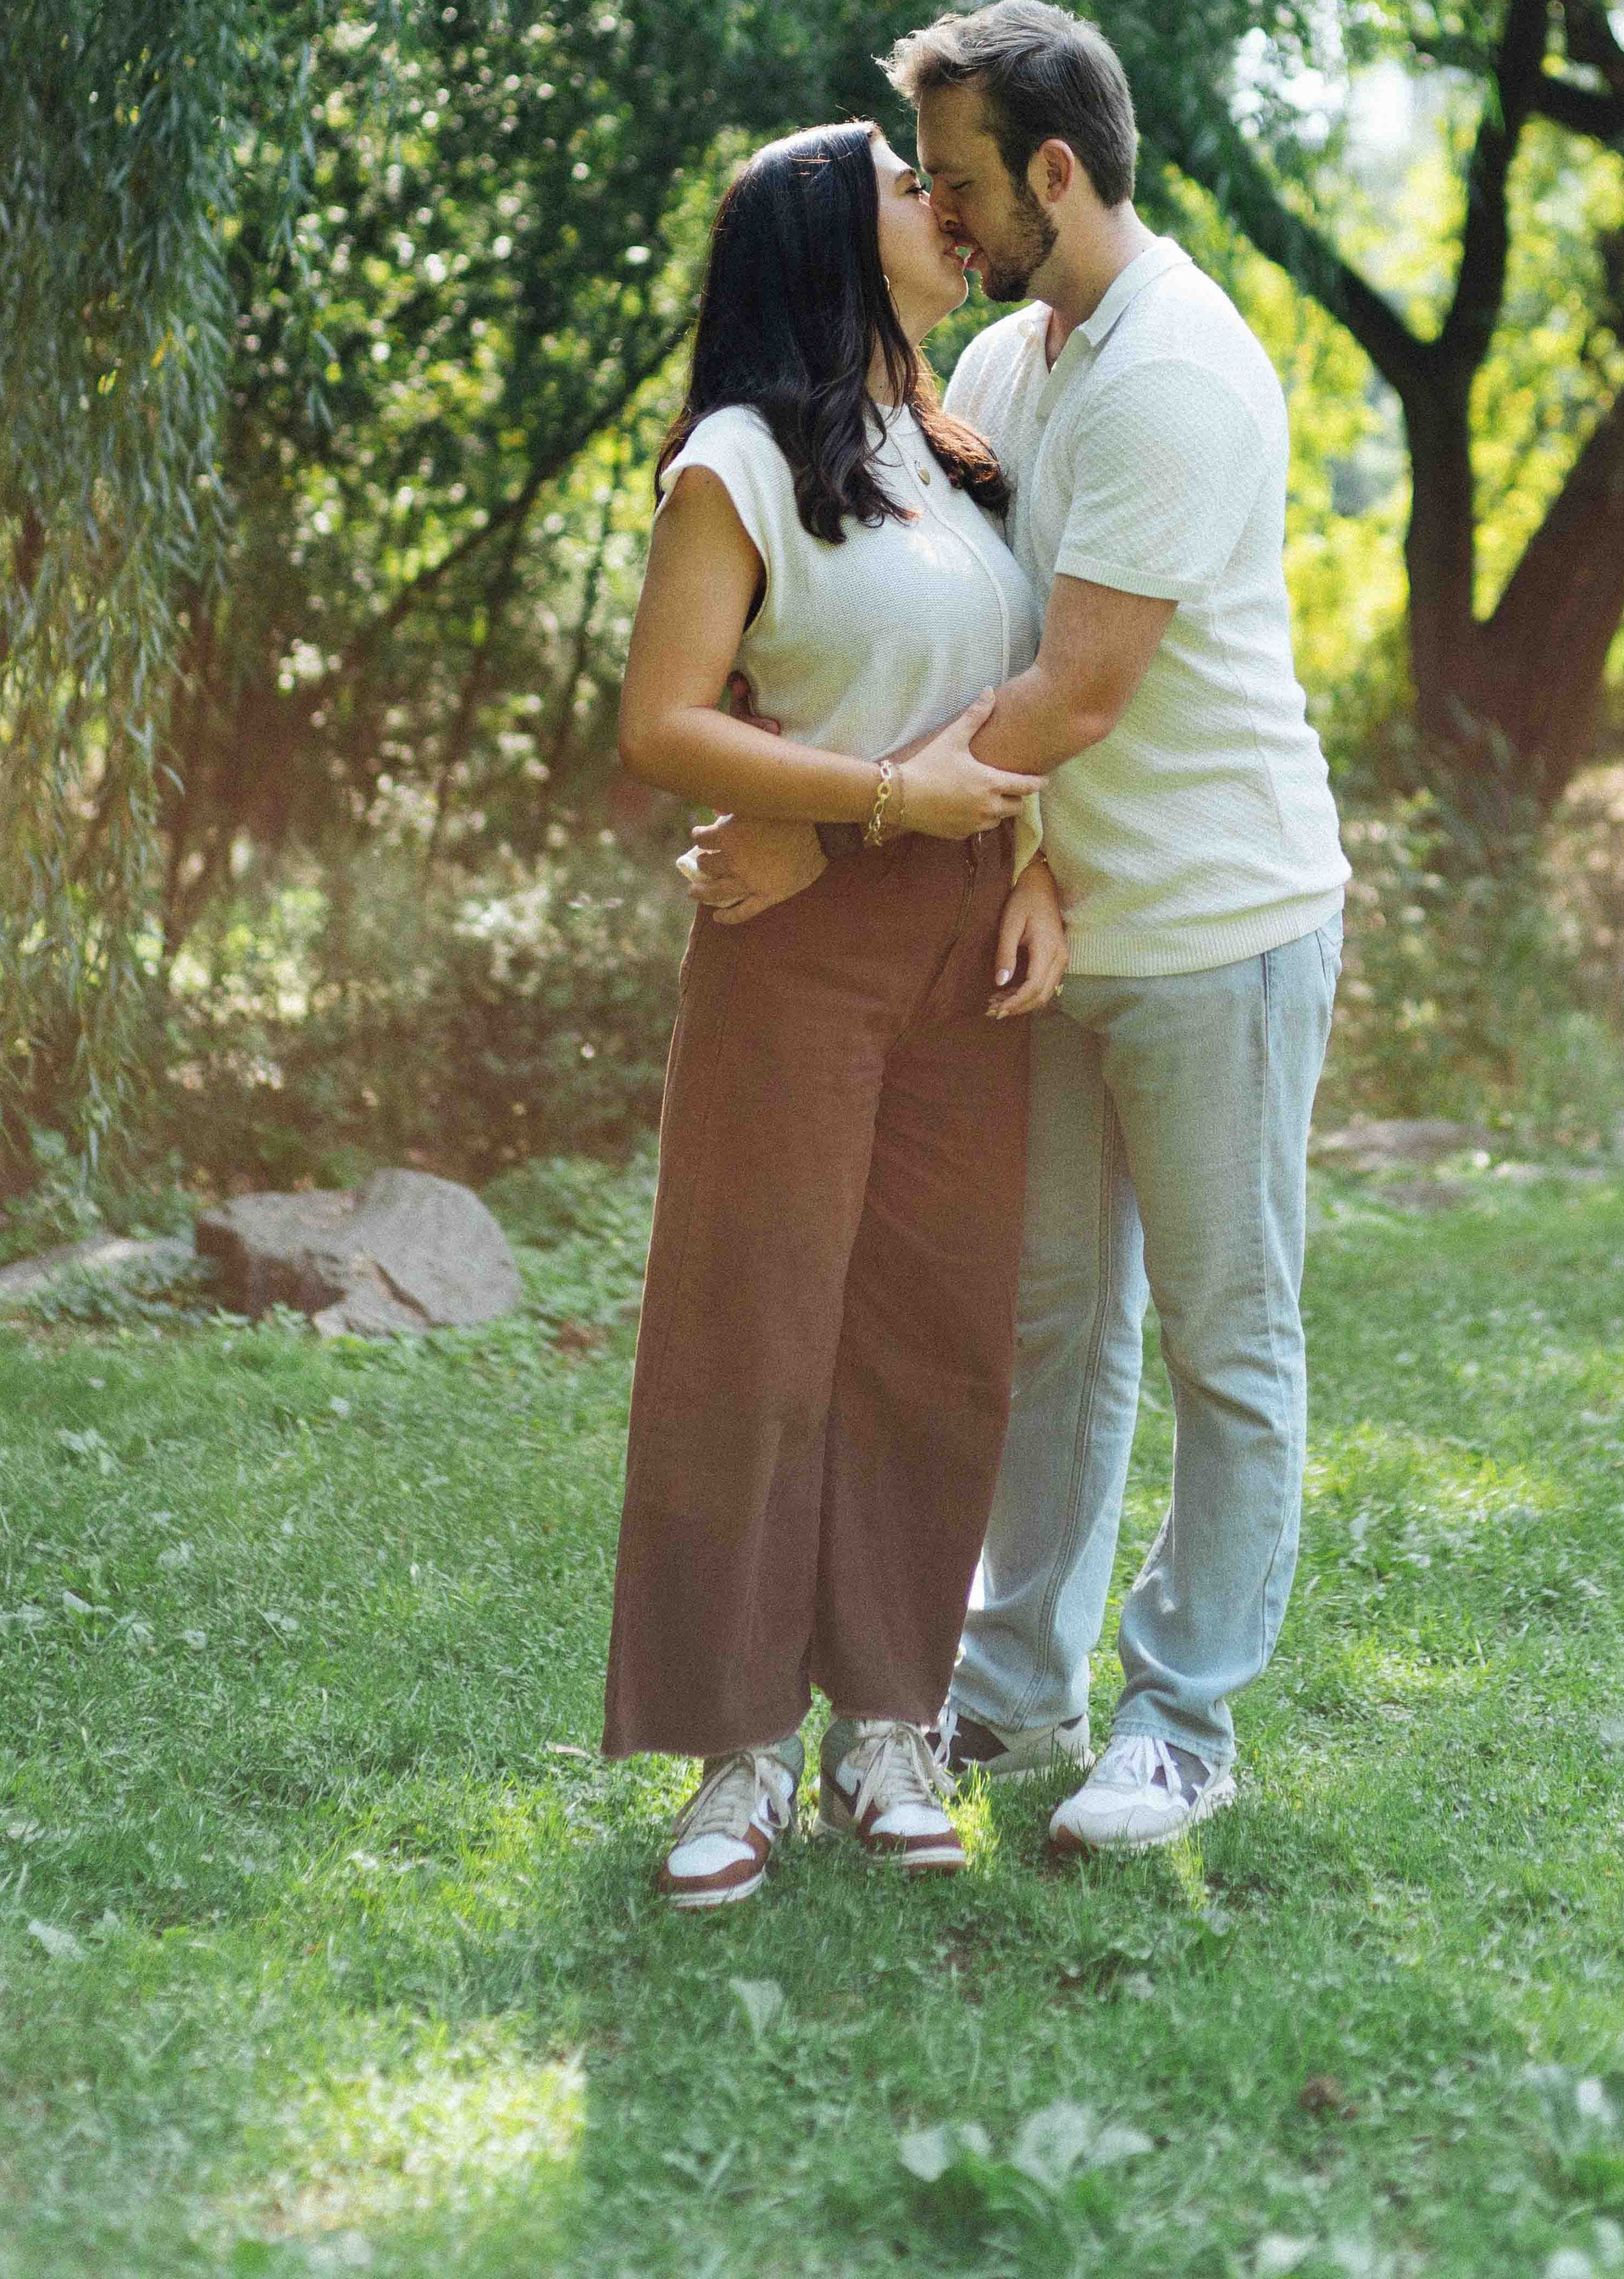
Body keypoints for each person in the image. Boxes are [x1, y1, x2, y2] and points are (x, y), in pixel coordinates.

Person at [685, 0, 1351, 1857]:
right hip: (1051, 927)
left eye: (965, 182)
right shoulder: (1018, 362)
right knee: (1047, 1323)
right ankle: (1010, 1689)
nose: (945, 216)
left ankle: (1183, 1719)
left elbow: (1062, 696)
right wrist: (1007, 859)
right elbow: (957, 636)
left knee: (1225, 1336)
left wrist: (836, 834)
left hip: (1218, 927)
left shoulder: (1172, 378)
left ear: (1055, 171)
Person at [606, 118, 1068, 1910]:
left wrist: (1028, 862)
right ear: (821, 230)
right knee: (758, 1331)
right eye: (908, 184)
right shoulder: (738, 457)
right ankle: (733, 1756)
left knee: (931, 1336)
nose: (946, 210)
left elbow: (1024, 699)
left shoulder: (959, 451)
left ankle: (890, 1716)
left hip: (970, 945)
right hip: (801, 944)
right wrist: (860, 810)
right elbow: (662, 725)